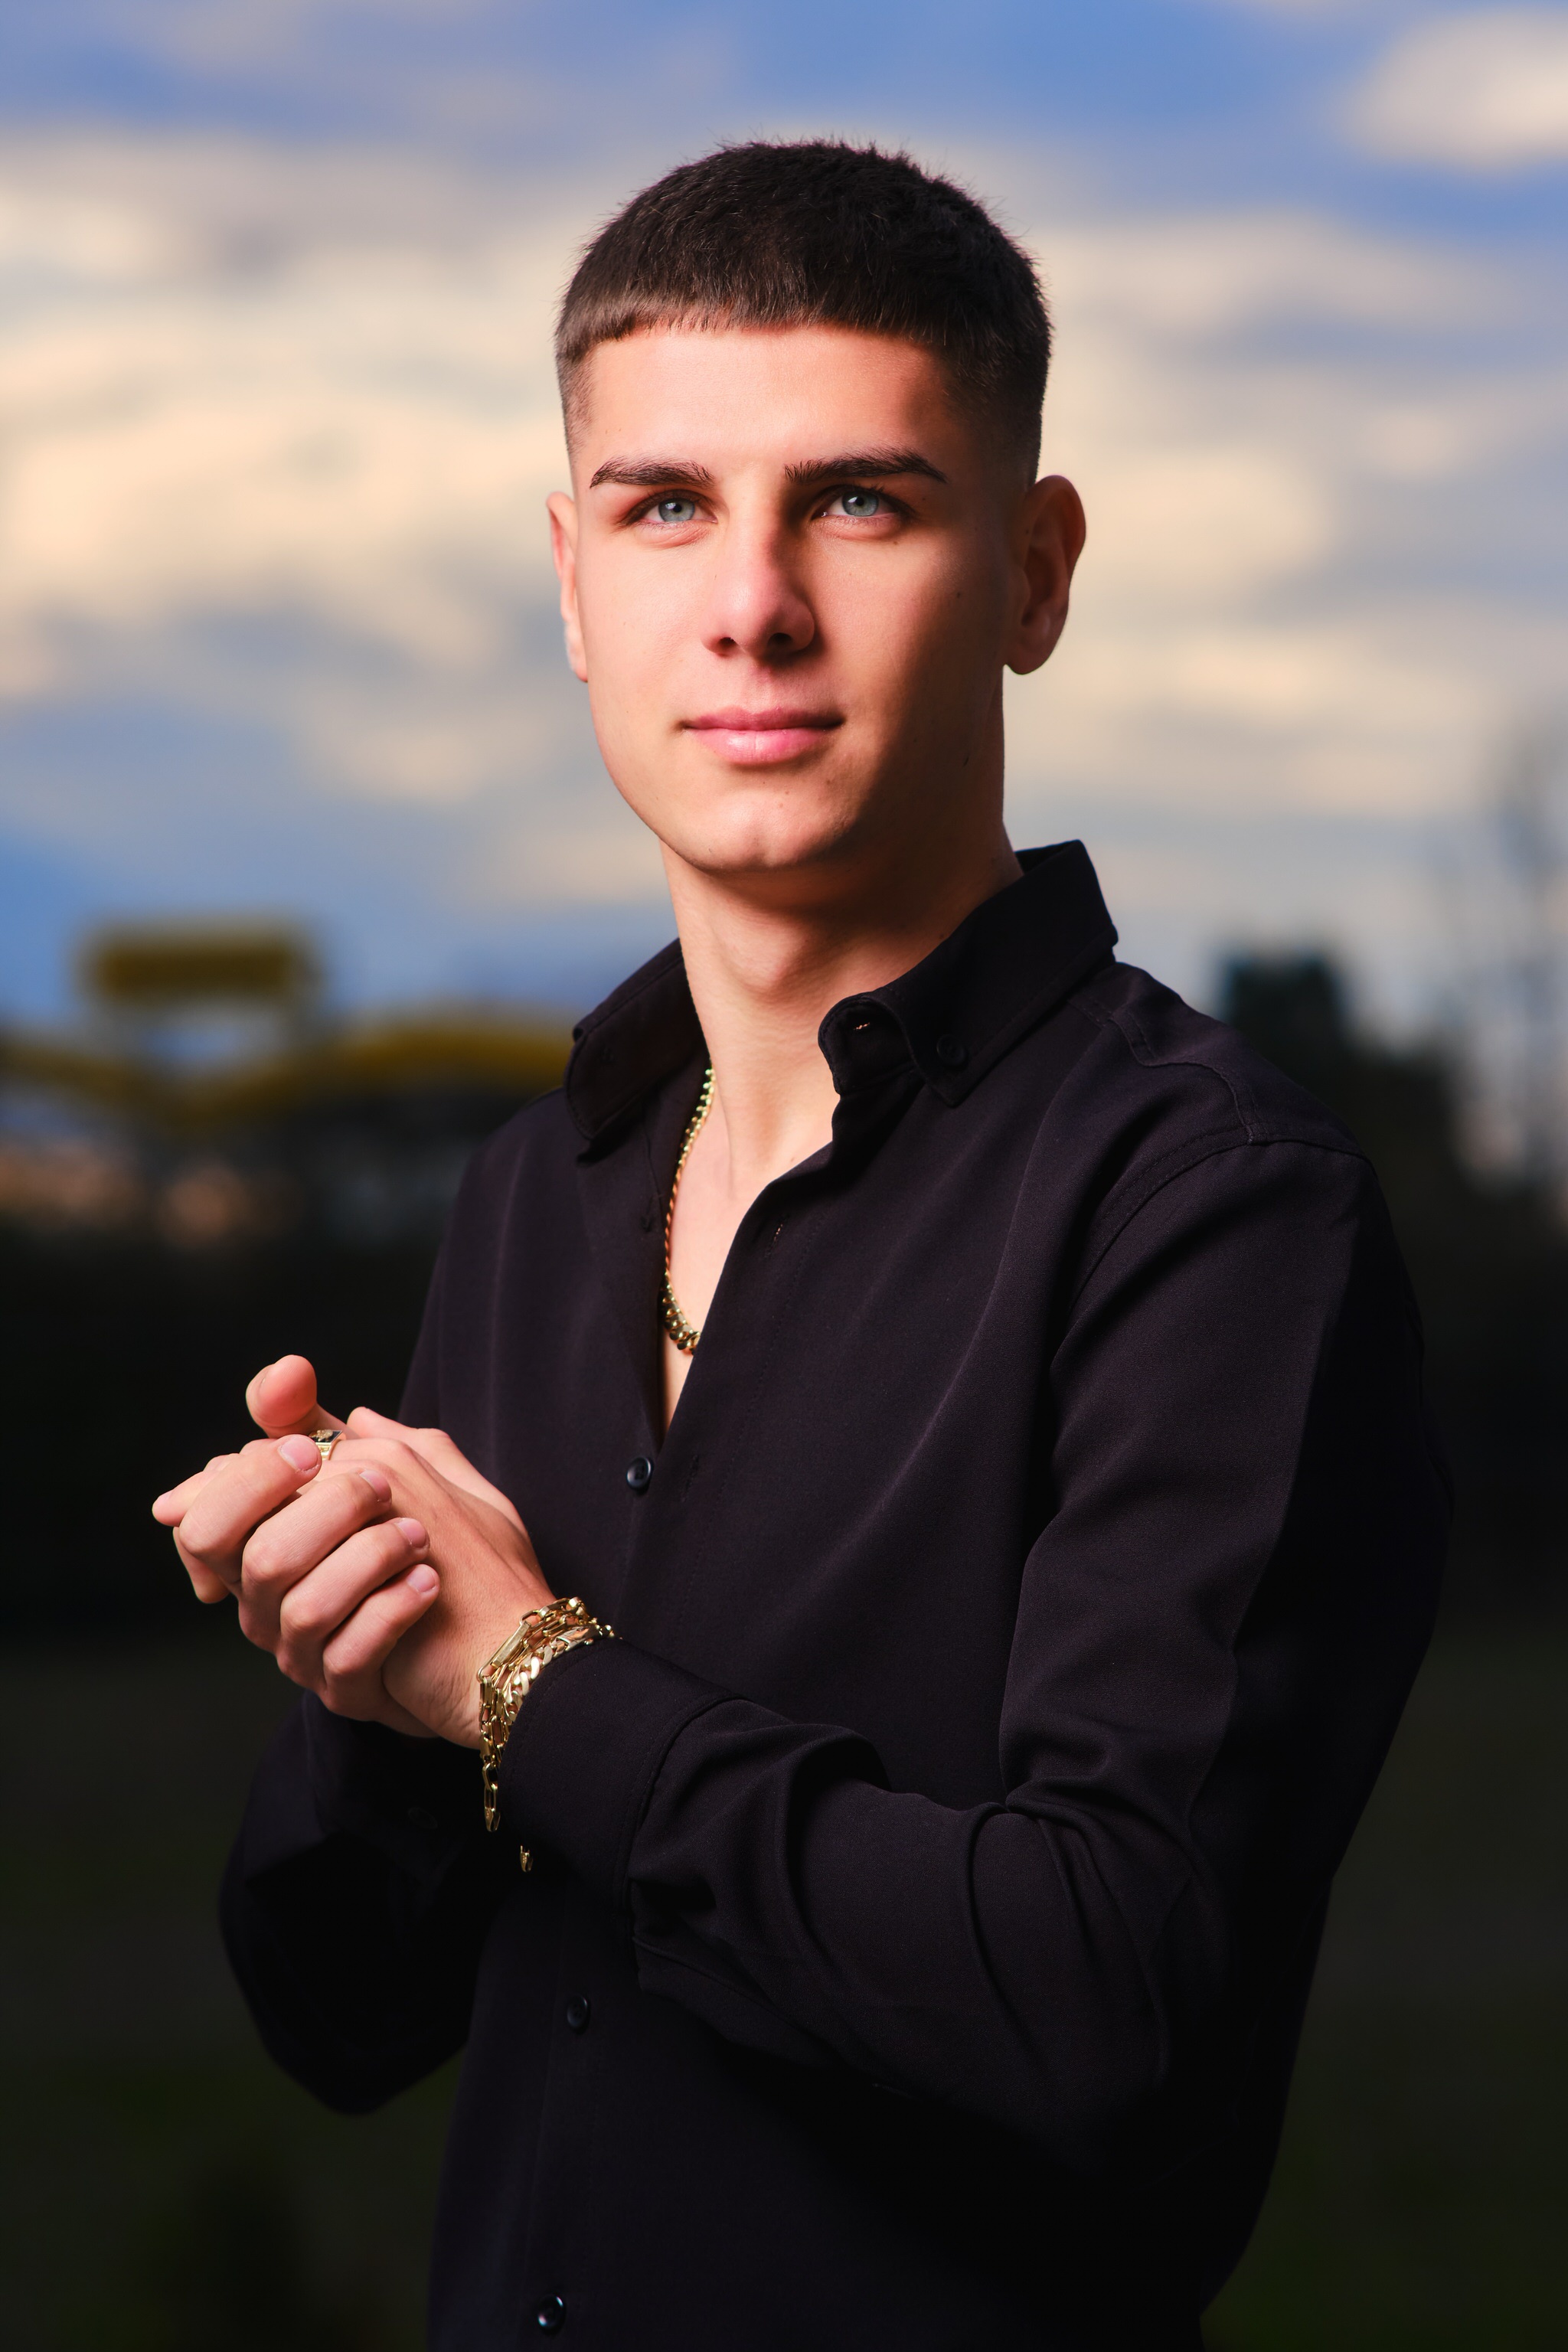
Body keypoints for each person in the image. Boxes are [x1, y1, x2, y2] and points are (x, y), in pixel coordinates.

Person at [152, 142, 1449, 2350]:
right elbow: (336, 2014)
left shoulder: (1220, 1209)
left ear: (1034, 570)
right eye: (665, 506)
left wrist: (531, 1684)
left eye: (858, 500)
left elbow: (1108, 2009)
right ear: (574, 585)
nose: (752, 604)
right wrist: (379, 1672)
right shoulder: (532, 1194)